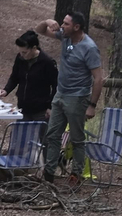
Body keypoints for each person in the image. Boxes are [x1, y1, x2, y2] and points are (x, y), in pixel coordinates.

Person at [34, 11, 104, 185]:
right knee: (52, 135)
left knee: (77, 138)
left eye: (66, 23)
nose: (62, 26)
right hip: (60, 95)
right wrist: (47, 20)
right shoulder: (65, 37)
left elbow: (98, 78)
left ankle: (76, 175)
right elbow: (40, 30)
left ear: (76, 27)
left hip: (78, 97)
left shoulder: (89, 47)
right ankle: (49, 173)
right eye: (63, 23)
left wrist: (92, 105)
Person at [2, 30, 58, 121]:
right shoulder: (20, 59)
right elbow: (15, 77)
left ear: (34, 48)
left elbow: (56, 85)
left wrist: (50, 107)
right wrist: (6, 90)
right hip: (22, 107)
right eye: (20, 52)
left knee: (39, 134)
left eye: (24, 52)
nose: (22, 55)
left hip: (40, 110)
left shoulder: (47, 62)